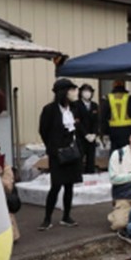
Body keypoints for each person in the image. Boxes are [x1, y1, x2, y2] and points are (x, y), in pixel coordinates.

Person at [38, 78, 90, 230]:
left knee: (69, 185)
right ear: (63, 92)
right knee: (56, 186)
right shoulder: (50, 109)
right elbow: (43, 130)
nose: (75, 92)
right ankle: (47, 218)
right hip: (57, 154)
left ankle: (66, 216)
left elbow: (78, 126)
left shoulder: (74, 108)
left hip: (73, 152)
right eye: (72, 90)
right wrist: (53, 147)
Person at [101, 79, 131, 152]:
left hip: (113, 132)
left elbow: (102, 118)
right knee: (127, 153)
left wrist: (104, 132)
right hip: (128, 131)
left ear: (113, 85)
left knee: (114, 154)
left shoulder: (108, 99)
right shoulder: (130, 99)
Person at [77, 83, 100, 174]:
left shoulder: (94, 105)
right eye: (85, 91)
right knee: (79, 158)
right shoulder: (76, 105)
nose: (87, 93)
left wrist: (94, 133)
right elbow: (77, 122)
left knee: (91, 159)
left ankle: (90, 176)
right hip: (81, 137)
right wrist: (85, 134)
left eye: (89, 91)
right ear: (81, 92)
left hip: (92, 137)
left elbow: (97, 121)